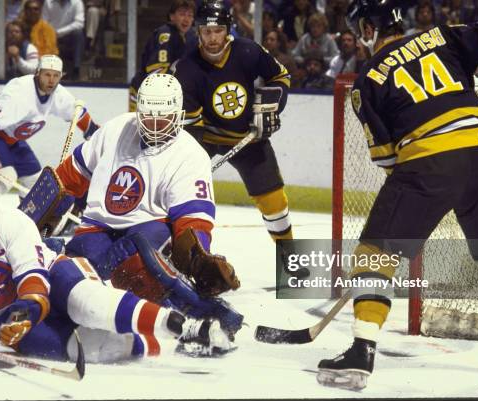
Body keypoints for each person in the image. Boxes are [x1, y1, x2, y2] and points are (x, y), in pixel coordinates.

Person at [317, 0, 478, 390]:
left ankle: (362, 350)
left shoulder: (368, 80)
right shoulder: (444, 36)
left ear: (368, 30)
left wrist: (426, 199)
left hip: (429, 162)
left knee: (374, 254)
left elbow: (390, 160)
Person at [0, 157, 233, 362]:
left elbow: (34, 278)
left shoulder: (11, 222)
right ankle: (154, 343)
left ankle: (186, 327)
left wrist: (28, 306)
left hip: (52, 279)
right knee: (99, 349)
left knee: (92, 304)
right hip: (6, 318)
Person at [20, 73, 243, 335]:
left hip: (150, 227)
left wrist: (198, 257)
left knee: (138, 266)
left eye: (164, 117)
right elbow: (70, 175)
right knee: (71, 269)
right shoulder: (117, 129)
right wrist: (24, 223)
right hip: (98, 225)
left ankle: (193, 316)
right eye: (149, 116)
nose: (156, 124)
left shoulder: (191, 155)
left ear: (179, 114)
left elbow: (193, 220)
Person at [172, 0, 309, 279]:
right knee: (182, 194)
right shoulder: (186, 68)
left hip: (249, 137)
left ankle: (289, 258)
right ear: (198, 32)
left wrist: (270, 108)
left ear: (228, 30)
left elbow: (280, 77)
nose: (212, 38)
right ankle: (179, 257)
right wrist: (192, 164)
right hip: (206, 138)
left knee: (274, 201)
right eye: (206, 32)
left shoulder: (248, 51)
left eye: (218, 31)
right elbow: (191, 129)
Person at [0, 54, 99, 197]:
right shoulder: (19, 93)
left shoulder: (59, 93)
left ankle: (26, 218)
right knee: (6, 177)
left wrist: (93, 132)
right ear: (37, 73)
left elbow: (77, 114)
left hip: (12, 140)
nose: (51, 80)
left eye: (56, 75)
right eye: (47, 74)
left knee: (35, 182)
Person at [127, 0, 197, 112]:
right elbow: (157, 71)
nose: (186, 19)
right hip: (144, 92)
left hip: (161, 93)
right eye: (182, 14)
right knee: (138, 126)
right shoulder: (166, 35)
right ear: (172, 16)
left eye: (190, 15)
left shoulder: (189, 36)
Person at [42, 0, 85, 80]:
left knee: (78, 34)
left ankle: (76, 68)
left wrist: (59, 32)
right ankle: (44, 69)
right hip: (51, 35)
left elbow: (79, 23)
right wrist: (51, 33)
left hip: (68, 35)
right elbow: (44, 22)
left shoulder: (77, 2)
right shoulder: (48, 2)